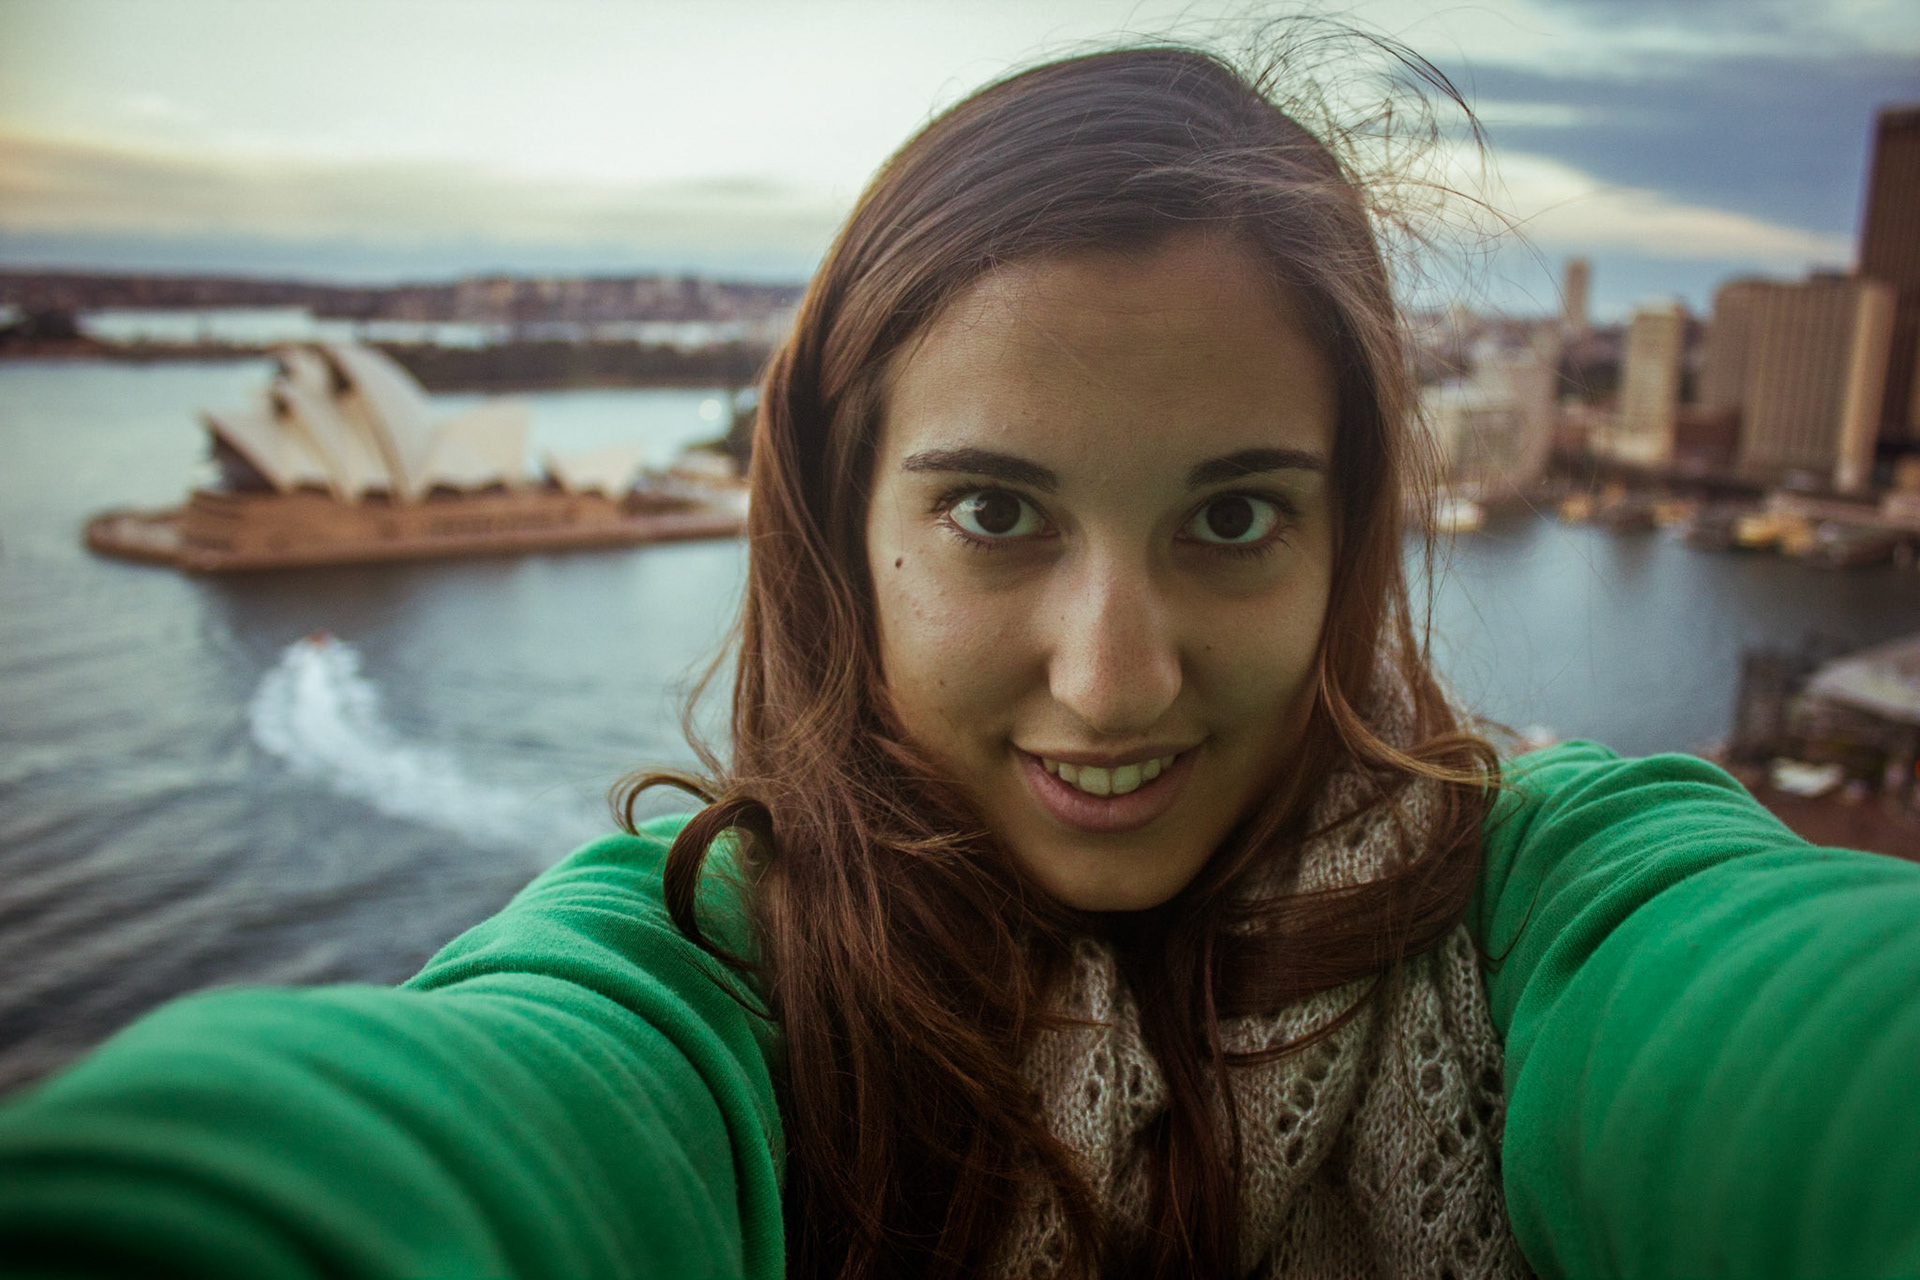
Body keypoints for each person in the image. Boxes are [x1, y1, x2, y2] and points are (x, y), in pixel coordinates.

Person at [2, 42, 1917, 1280]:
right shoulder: (717, 974)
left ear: (1348, 534)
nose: (1114, 680)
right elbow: (437, 1139)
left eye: (1234, 515)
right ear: (842, 525)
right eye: (997, 511)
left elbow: (1805, 1048)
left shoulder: (1546, 888)